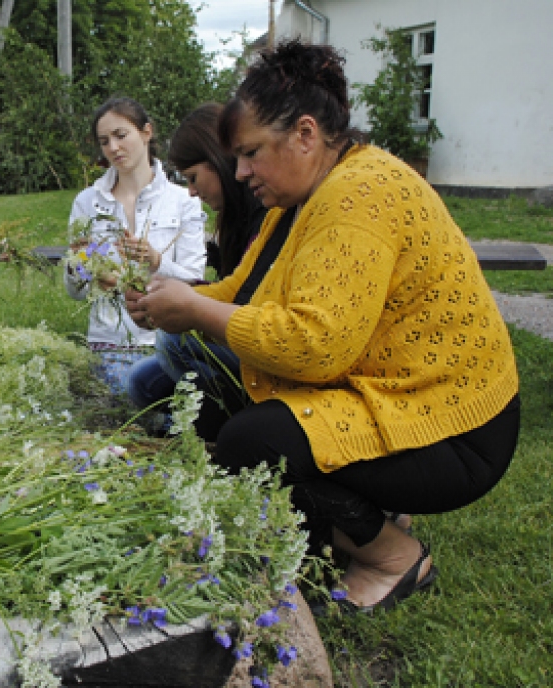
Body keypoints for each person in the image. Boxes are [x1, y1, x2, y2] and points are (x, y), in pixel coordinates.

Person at [126, 41, 520, 613]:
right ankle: (363, 517)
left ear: (306, 134)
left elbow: (314, 347)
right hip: (395, 398)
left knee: (251, 443)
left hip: (453, 427)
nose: (241, 171)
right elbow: (243, 291)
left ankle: (392, 556)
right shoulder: (302, 198)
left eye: (251, 153)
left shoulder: (360, 194)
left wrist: (194, 312)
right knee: (218, 412)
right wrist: (175, 300)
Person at [125, 103, 266, 414]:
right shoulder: (234, 221)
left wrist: (186, 306)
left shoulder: (264, 215)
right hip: (240, 337)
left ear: (218, 162)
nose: (190, 192)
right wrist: (159, 304)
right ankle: (200, 418)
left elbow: (244, 308)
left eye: (193, 178)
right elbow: (230, 289)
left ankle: (231, 416)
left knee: (171, 343)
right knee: (139, 380)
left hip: (262, 349)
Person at [65, 97, 206, 396]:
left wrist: (156, 261)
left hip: (165, 344)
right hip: (107, 344)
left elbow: (197, 282)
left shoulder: (184, 200)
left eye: (120, 135)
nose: (113, 148)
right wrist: (80, 266)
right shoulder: (87, 202)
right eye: (104, 141)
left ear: (146, 132)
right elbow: (75, 292)